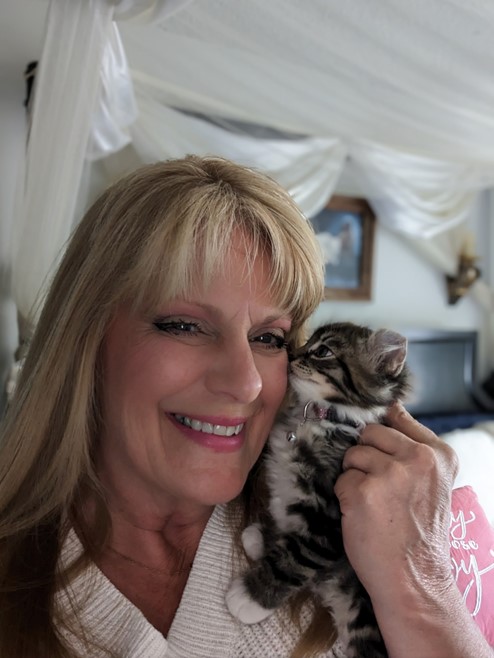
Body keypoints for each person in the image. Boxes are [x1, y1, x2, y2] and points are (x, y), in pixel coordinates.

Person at [0, 155, 491, 658]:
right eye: (184, 325)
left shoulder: (369, 536)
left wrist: (420, 587)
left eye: (269, 337)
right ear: (85, 340)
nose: (247, 383)